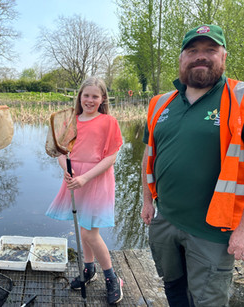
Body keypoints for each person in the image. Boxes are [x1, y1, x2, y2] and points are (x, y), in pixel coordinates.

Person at [141, 24, 244, 307]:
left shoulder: (240, 99)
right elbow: (149, 155)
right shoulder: (160, 103)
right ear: (181, 59)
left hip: (213, 232)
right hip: (166, 220)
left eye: (211, 50)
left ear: (224, 56)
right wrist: (148, 201)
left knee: (208, 301)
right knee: (173, 287)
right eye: (193, 50)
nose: (201, 56)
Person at [46, 76, 124, 305]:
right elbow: (62, 153)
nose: (90, 100)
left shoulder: (108, 122)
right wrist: (67, 170)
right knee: (82, 229)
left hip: (96, 178)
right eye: (86, 95)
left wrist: (86, 177)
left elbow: (111, 157)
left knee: (90, 232)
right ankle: (89, 271)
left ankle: (112, 277)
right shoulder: (70, 120)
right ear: (80, 96)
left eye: (95, 96)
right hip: (74, 178)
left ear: (102, 99)